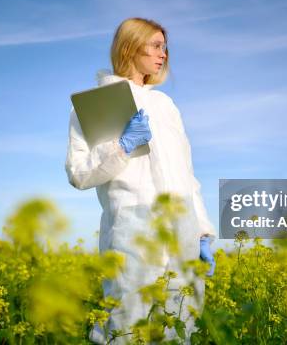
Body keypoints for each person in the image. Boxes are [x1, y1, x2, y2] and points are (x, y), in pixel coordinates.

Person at [65, 17, 216, 344]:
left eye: (166, 47)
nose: (164, 54)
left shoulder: (166, 105)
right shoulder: (96, 103)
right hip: (134, 224)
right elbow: (79, 173)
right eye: (156, 46)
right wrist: (123, 146)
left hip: (182, 224)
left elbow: (188, 175)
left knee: (181, 321)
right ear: (130, 46)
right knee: (127, 321)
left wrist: (202, 230)